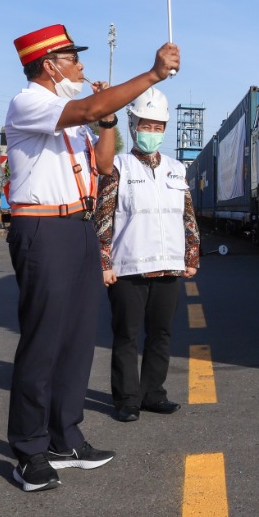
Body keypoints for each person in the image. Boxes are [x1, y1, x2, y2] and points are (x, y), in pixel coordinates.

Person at [4, 25, 180, 492]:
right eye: (73, 59)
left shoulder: (73, 117)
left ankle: (67, 437)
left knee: (78, 339)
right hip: (42, 225)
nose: (81, 67)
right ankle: (29, 449)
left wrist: (106, 123)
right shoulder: (31, 103)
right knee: (43, 341)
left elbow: (104, 165)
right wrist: (151, 76)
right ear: (50, 65)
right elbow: (87, 106)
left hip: (78, 225)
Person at [94, 87, 199, 423]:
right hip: (128, 268)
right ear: (133, 124)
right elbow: (103, 217)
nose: (151, 132)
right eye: (145, 125)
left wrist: (192, 256)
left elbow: (187, 216)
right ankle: (126, 399)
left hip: (168, 266)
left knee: (161, 334)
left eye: (157, 127)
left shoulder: (175, 168)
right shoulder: (118, 167)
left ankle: (153, 393)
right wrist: (104, 262)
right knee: (126, 335)